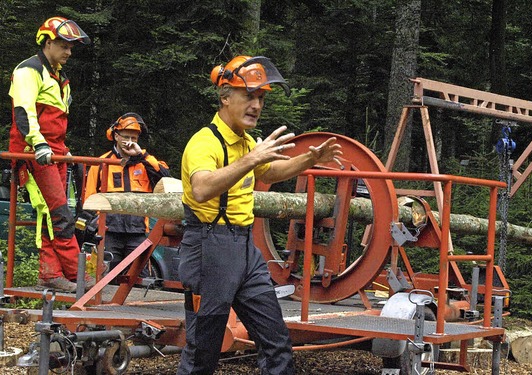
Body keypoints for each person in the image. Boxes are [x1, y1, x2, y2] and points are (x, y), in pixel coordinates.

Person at [177, 55, 342, 375]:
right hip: (208, 249)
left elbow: (272, 169)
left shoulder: (246, 141)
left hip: (244, 250)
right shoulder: (203, 142)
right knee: (204, 352)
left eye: (261, 99)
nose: (256, 105)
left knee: (276, 340)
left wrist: (308, 160)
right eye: (249, 96)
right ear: (225, 97)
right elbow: (200, 188)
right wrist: (251, 159)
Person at [8, 16, 92, 293]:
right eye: (64, 45)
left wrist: (61, 149)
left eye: (71, 47)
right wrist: (39, 144)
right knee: (58, 212)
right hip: (34, 151)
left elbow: (57, 119)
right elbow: (24, 113)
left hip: (55, 151)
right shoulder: (28, 71)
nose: (69, 52)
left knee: (54, 212)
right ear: (47, 42)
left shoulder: (61, 78)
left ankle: (51, 273)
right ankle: (74, 274)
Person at [84, 113, 170, 281]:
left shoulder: (145, 163)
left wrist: (142, 156)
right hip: (109, 232)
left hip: (137, 232)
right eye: (125, 137)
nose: (129, 141)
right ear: (116, 136)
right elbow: (89, 200)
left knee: (139, 279)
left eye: (134, 138)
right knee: (106, 280)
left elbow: (165, 178)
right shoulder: (102, 163)